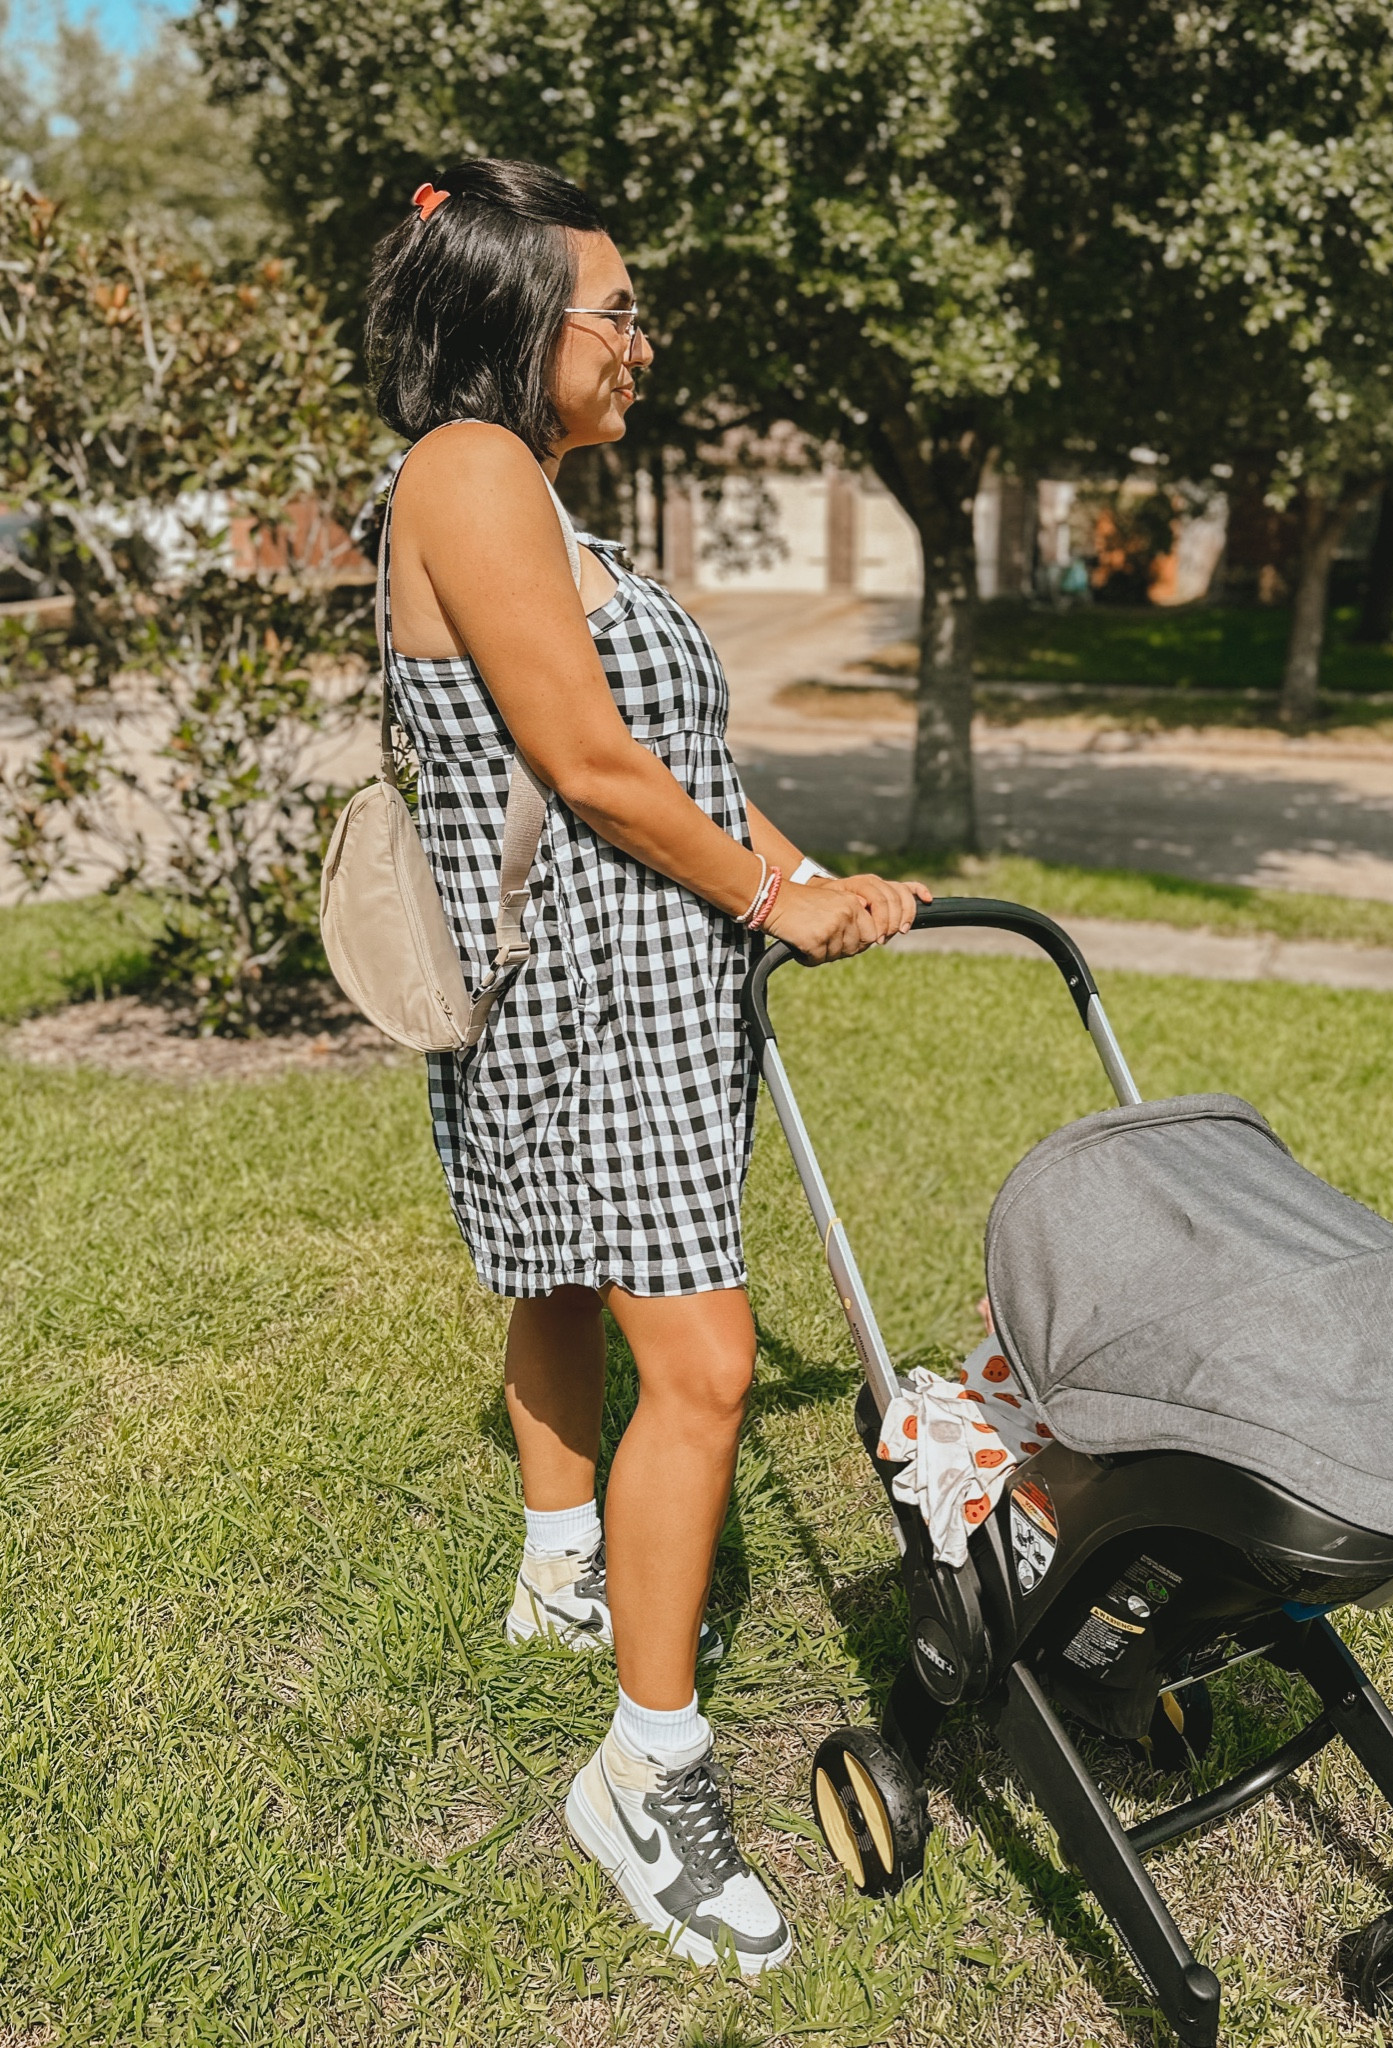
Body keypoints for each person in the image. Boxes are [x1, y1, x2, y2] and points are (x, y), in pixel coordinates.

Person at [363, 158, 928, 1974]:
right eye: (620, 311)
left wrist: (798, 883)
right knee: (706, 1364)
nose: (643, 344)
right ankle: (647, 1772)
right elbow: (596, 772)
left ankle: (558, 1570)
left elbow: (649, 761)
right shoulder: (468, 474)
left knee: (564, 1286)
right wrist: (771, 887)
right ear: (526, 315)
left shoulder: (547, 505)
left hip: (637, 978)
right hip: (585, 998)